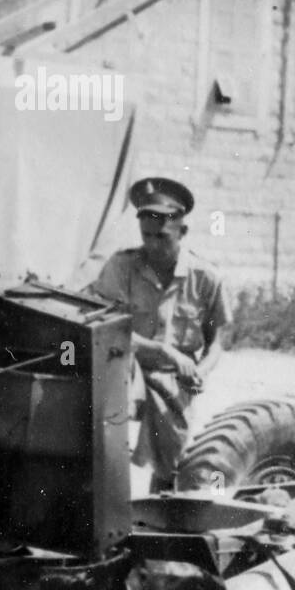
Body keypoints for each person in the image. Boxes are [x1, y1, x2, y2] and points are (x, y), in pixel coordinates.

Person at [85, 177, 231, 492]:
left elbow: (218, 339)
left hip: (173, 379)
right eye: (146, 236)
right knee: (109, 414)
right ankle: (109, 501)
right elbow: (106, 329)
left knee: (174, 455)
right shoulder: (122, 266)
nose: (152, 245)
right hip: (127, 362)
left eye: (162, 237)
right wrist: (163, 351)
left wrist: (201, 372)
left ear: (183, 232)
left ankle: (159, 506)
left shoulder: (206, 277)